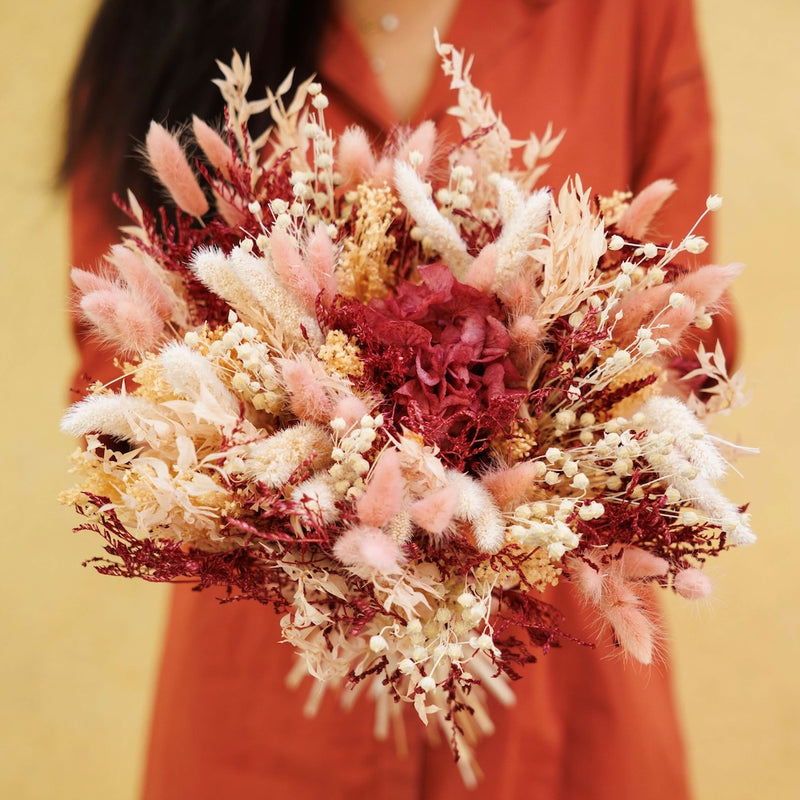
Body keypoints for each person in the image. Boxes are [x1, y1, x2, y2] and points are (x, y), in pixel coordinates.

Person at [63, 1, 735, 797]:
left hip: (564, 708)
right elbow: (118, 377)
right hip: (272, 714)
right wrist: (303, 449)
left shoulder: (628, 17)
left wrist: (527, 428)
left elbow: (690, 342)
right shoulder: (168, 21)